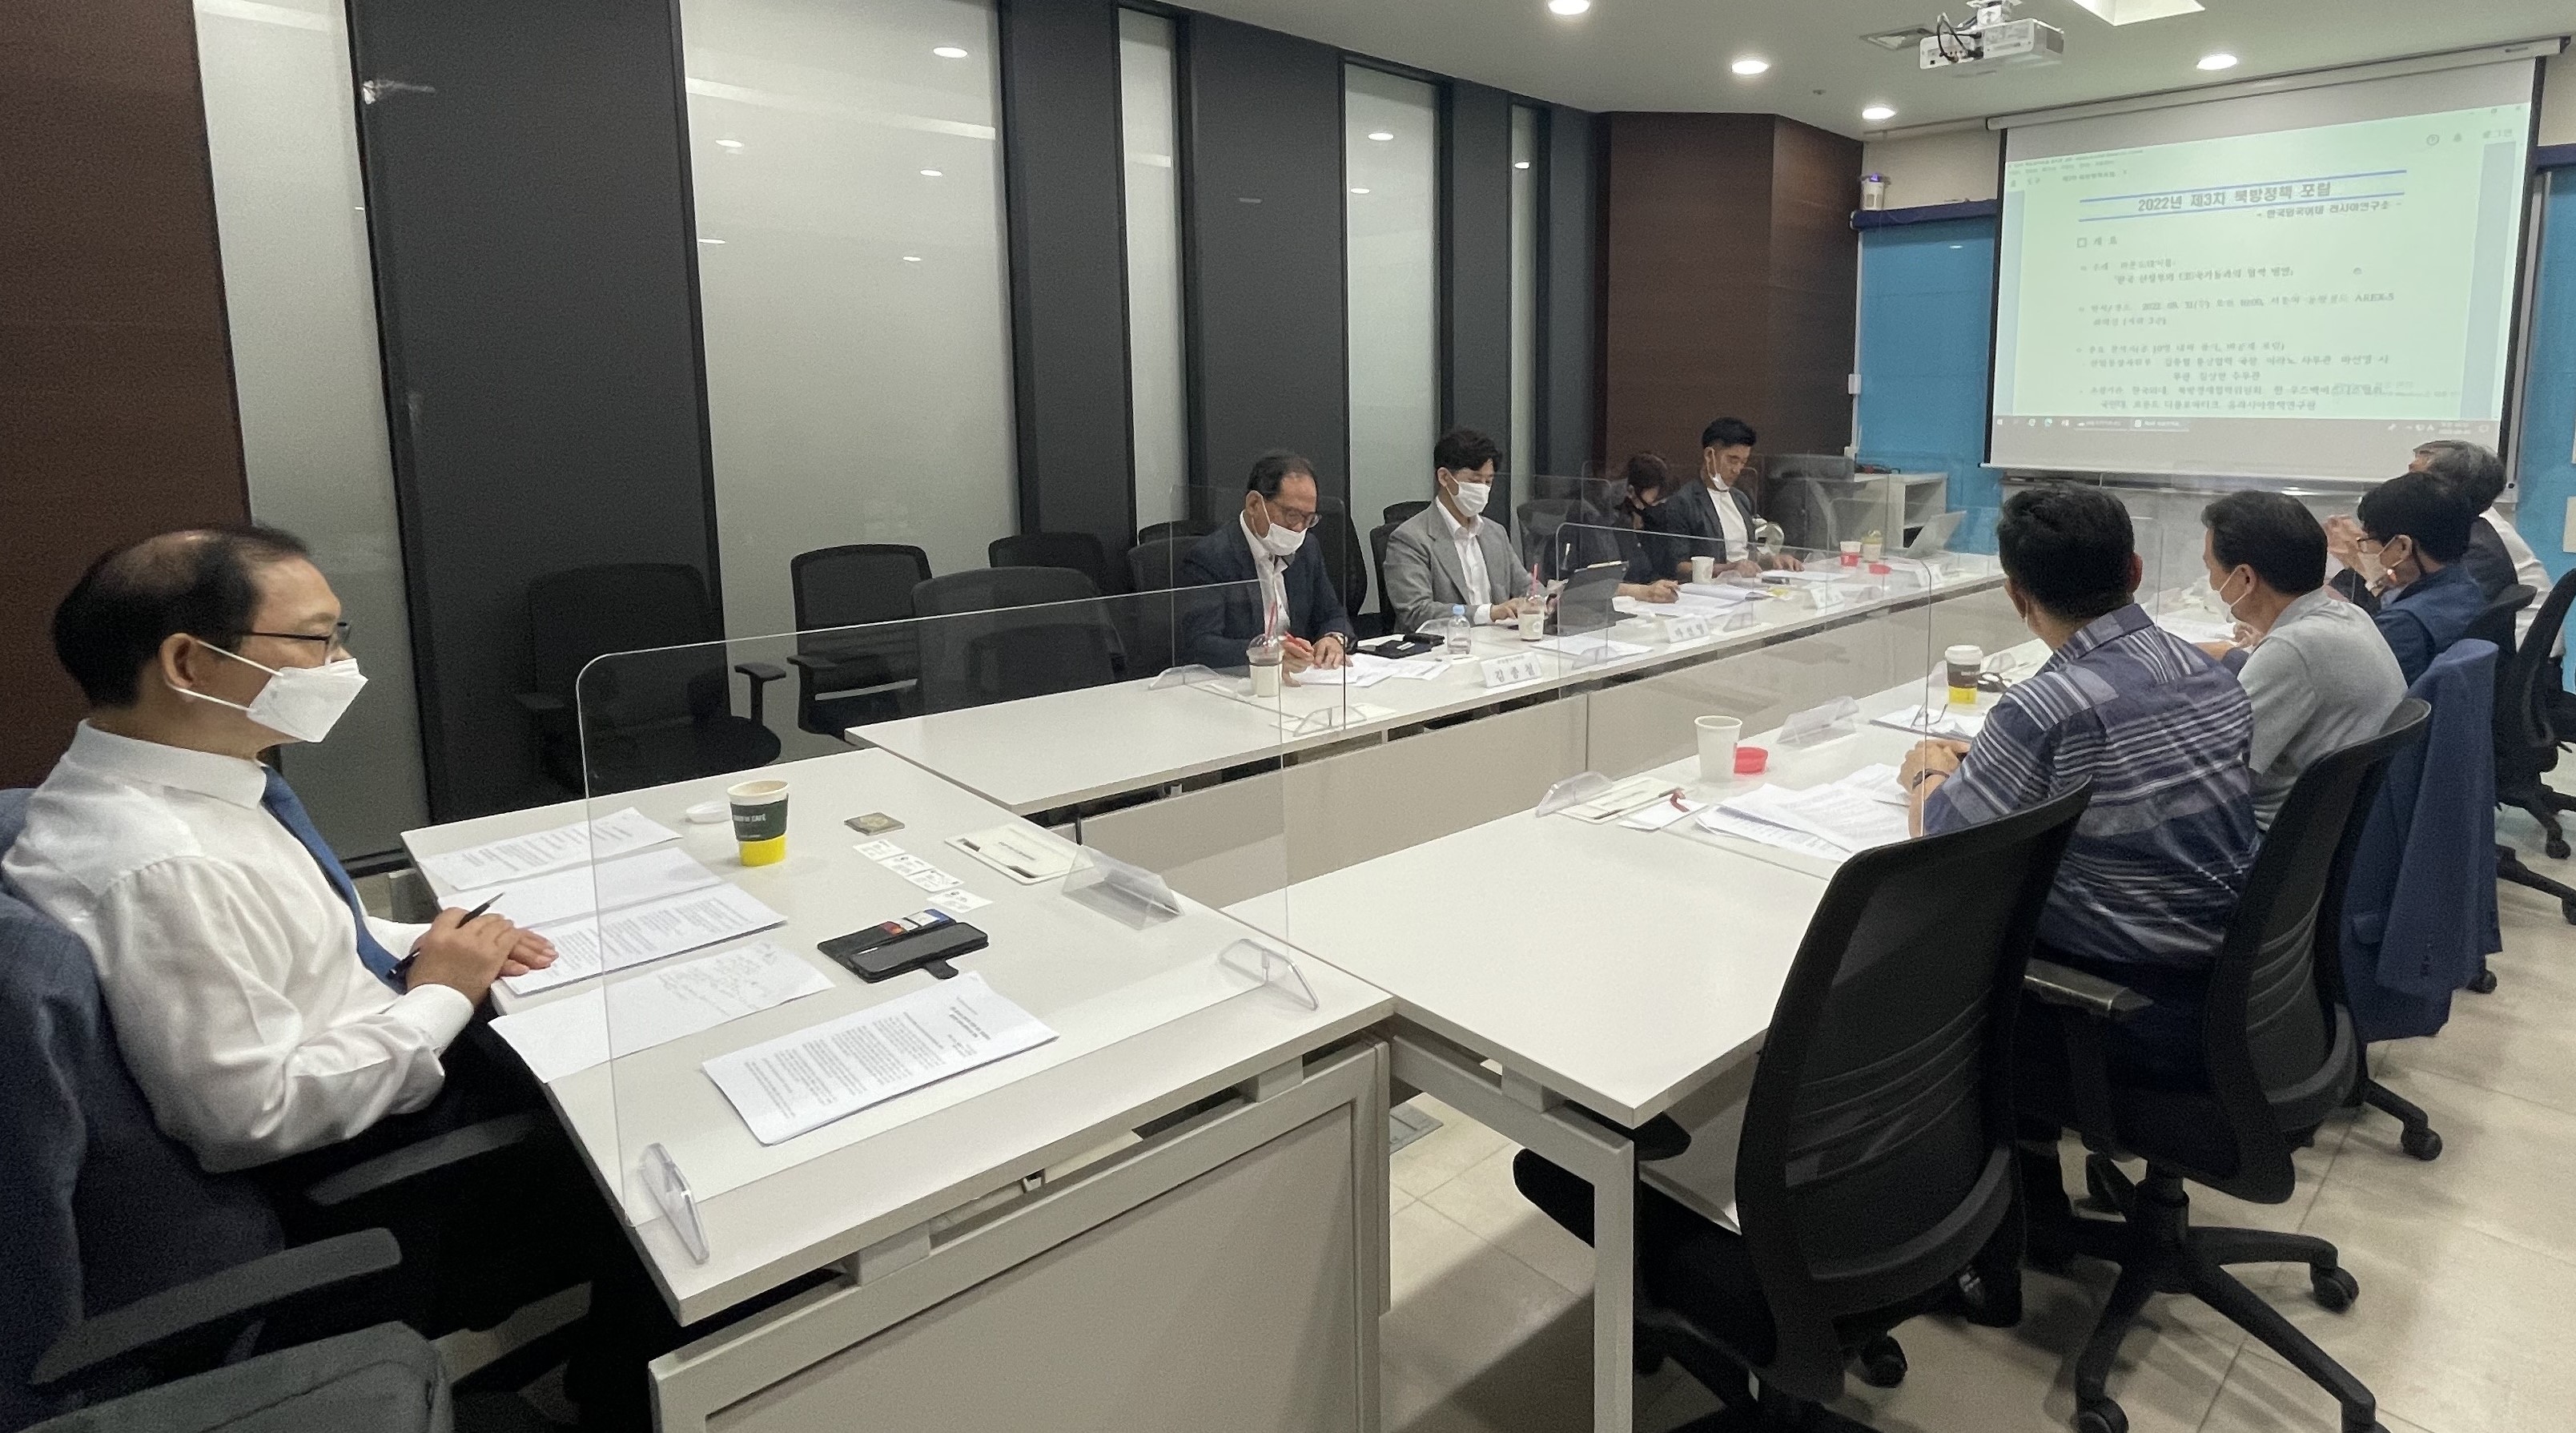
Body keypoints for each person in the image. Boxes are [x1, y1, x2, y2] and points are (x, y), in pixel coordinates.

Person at [4, 527, 556, 1175]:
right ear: (188, 664)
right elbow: (251, 1116)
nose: (343, 661)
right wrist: (444, 994)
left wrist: (443, 943)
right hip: (365, 1132)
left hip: (380, 1034)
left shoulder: (194, 779)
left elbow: (311, 941)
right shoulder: (165, 866)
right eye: (317, 639)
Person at [1901, 485, 2256, 1081]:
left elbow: (1942, 844)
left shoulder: (2042, 710)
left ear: (2016, 594)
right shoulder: (2209, 670)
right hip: (2228, 968)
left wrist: (1927, 769)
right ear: (2135, 571)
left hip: (2130, 997)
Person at [2195, 491, 2405, 830]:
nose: (2210, 581)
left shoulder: (2292, 649)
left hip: (2264, 837)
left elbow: (2210, 773)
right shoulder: (2349, 615)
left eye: (2211, 568)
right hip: (2337, 831)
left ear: (2245, 578)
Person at [1176, 449, 1356, 672]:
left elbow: (1333, 613)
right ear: (1254, 504)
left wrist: (1334, 638)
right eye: (1292, 515)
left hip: (1302, 679)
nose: (1299, 528)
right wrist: (1266, 653)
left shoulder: (1307, 548)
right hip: (1237, 683)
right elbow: (1201, 644)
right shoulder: (1211, 557)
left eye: (1309, 519)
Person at [1380, 429, 1540, 633]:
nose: (1482, 489)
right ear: (1444, 477)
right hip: (1446, 644)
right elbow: (1417, 612)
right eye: (1474, 481)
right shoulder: (1410, 539)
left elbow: (1526, 587)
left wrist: (1546, 599)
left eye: (1488, 482)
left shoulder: (1495, 533)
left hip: (1500, 643)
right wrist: (1489, 613)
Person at [2342, 472, 2486, 684]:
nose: (2365, 549)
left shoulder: (2401, 624)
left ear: (2402, 547)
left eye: (2369, 539)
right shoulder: (2468, 588)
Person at [1642, 417, 1804, 578]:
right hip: (1711, 586)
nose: (1737, 470)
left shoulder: (1741, 499)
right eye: (1733, 460)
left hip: (1746, 582)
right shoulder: (1683, 502)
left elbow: (1749, 554)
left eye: (1743, 462)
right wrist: (1728, 568)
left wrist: (1772, 560)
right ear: (1709, 455)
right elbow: (1677, 566)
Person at [2416, 439, 2546, 619]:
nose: (2404, 487)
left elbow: (2433, 606)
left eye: (2415, 481)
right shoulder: (2466, 521)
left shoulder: (2476, 541)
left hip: (2512, 634)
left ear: (2445, 489)